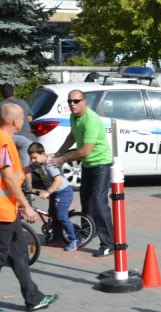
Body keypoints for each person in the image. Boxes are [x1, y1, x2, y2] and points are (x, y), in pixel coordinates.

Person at [0, 103, 57, 312]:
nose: (25, 121)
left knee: (20, 254)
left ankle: (33, 298)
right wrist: (26, 205)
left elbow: (9, 175)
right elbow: (8, 178)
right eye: (23, 118)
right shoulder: (3, 142)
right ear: (15, 120)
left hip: (5, 209)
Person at [50, 90, 114, 257]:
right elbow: (72, 135)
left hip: (101, 163)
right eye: (70, 101)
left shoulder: (91, 120)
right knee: (86, 201)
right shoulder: (74, 117)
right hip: (88, 164)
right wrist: (59, 152)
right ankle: (88, 233)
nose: (72, 104)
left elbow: (85, 151)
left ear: (84, 102)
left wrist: (63, 159)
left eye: (76, 101)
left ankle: (109, 243)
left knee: (99, 202)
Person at [26, 142, 79, 251]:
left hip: (63, 192)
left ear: (43, 154)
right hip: (55, 192)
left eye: (35, 157)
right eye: (31, 158)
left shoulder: (50, 164)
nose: (33, 160)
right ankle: (57, 237)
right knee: (53, 215)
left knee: (61, 216)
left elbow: (58, 181)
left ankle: (75, 239)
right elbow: (25, 170)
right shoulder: (38, 163)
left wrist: (48, 192)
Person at [0, 83, 34, 170]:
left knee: (9, 164)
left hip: (8, 138)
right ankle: (26, 179)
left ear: (2, 95)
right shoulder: (22, 102)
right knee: (25, 166)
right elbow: (30, 118)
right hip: (26, 137)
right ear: (14, 92)